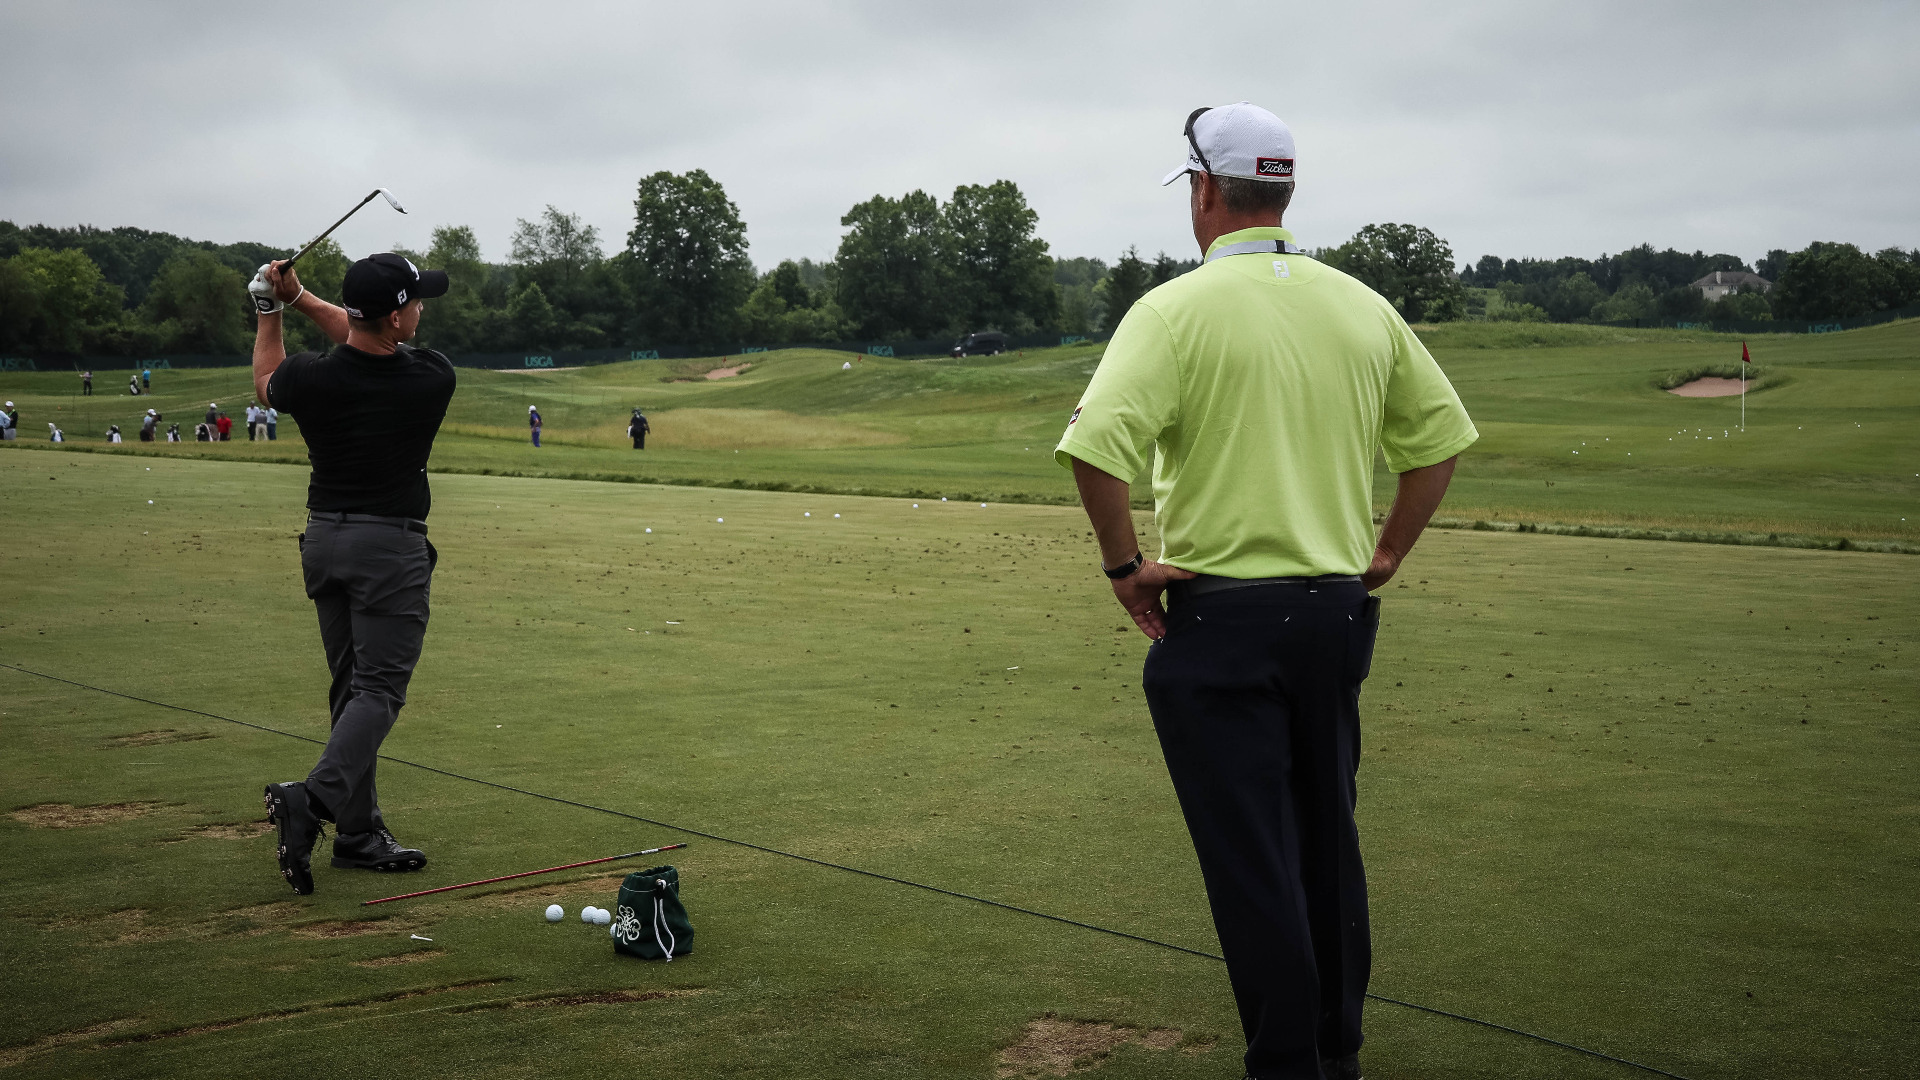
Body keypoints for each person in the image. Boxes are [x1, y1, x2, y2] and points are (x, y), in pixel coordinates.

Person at [1054, 102, 1477, 1080]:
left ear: (1205, 191)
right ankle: (1338, 1052)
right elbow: (1439, 446)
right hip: (1335, 614)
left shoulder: (1172, 310)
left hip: (1224, 619)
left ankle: (1286, 1064)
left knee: (1253, 859)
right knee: (1327, 843)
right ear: (1282, 189)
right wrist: (1386, 556)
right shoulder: (1361, 303)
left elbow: (1093, 450)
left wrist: (1126, 568)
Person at [249, 250, 454, 895]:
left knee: (351, 687)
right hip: (387, 548)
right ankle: (314, 800)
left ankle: (360, 835)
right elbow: (361, 336)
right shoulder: (430, 377)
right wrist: (301, 299)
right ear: (397, 318)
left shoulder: (313, 378)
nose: (422, 309)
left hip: (325, 541)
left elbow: (268, 383)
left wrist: (273, 309)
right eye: (416, 302)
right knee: (380, 689)